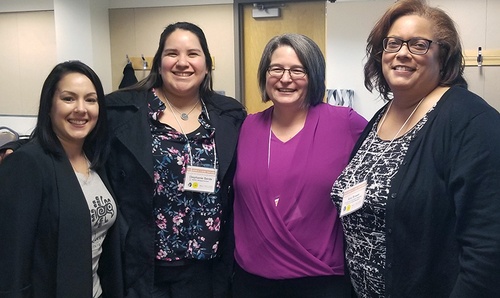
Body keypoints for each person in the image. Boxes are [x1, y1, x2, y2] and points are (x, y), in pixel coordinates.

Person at [330, 0, 500, 297]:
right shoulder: (381, 117)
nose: (402, 53)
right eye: (393, 43)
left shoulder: (470, 120)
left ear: (443, 57)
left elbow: (488, 247)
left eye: (419, 44)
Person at [105, 22, 246, 297]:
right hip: (142, 269)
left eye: (193, 54)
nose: (183, 62)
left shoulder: (230, 116)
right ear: (159, 62)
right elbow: (65, 134)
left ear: (206, 64)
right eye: (172, 54)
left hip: (206, 271)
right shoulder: (120, 111)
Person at [232, 33, 367, 298]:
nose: (285, 78)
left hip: (320, 282)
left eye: (297, 70)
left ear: (314, 75)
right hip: (251, 283)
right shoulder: (247, 127)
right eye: (276, 69)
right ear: (264, 74)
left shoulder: (344, 123)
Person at [0, 61, 123, 297]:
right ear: (49, 105)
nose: (81, 109)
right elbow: (11, 261)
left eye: (90, 99)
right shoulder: (27, 164)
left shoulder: (97, 158)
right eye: (68, 98)